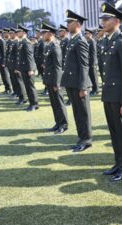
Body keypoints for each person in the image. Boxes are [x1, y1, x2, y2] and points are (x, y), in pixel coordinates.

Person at [99, 3, 122, 182]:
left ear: (117, 21)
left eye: (106, 19)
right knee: (114, 132)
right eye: (103, 19)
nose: (103, 22)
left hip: (120, 97)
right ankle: (118, 162)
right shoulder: (108, 40)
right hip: (109, 95)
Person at [61, 10, 93, 152]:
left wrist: (83, 87)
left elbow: (84, 65)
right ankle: (81, 137)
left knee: (83, 113)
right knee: (77, 112)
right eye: (67, 22)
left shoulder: (80, 41)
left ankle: (86, 140)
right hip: (72, 82)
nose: (67, 24)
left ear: (78, 24)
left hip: (79, 84)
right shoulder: (72, 39)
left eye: (70, 22)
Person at [41, 23, 69, 135]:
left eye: (44, 33)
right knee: (54, 103)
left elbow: (58, 66)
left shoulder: (55, 46)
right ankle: (58, 122)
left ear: (50, 33)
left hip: (55, 80)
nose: (42, 35)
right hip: (49, 79)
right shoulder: (49, 45)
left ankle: (63, 124)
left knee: (59, 103)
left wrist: (57, 83)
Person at [15, 24, 38, 112]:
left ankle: (34, 104)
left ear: (24, 32)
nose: (17, 33)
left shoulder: (26, 42)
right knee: (27, 87)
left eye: (19, 32)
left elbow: (29, 57)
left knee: (30, 87)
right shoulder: (22, 42)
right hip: (24, 68)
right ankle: (32, 103)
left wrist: (30, 69)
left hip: (28, 69)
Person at [0, 28, 13, 95]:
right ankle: (6, 88)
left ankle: (10, 89)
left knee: (5, 76)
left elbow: (4, 53)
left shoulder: (2, 41)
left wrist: (4, 62)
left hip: (3, 62)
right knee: (3, 76)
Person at [84, 28, 99, 96]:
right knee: (91, 76)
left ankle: (96, 90)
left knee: (94, 77)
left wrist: (93, 63)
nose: (85, 35)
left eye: (86, 33)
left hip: (92, 63)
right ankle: (93, 89)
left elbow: (93, 53)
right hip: (88, 62)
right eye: (85, 33)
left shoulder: (92, 42)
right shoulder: (88, 41)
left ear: (90, 34)